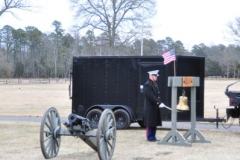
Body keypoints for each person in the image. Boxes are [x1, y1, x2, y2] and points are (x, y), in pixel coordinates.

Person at [143, 70, 165, 142]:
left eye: (156, 76)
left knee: (154, 122)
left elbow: (157, 96)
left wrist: (160, 102)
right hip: (150, 107)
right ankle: (150, 137)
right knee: (150, 123)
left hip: (155, 107)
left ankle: (153, 136)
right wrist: (159, 102)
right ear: (151, 76)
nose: (156, 77)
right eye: (155, 76)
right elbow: (151, 96)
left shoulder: (154, 84)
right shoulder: (147, 85)